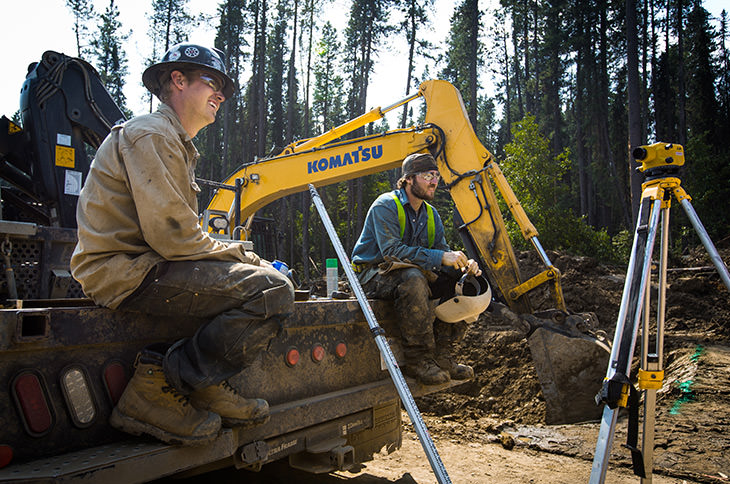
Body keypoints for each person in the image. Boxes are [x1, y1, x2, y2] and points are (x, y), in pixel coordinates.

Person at [70, 43, 295, 446]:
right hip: (124, 271)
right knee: (271, 290)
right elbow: (175, 236)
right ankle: (157, 388)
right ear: (177, 80)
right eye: (213, 83)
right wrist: (245, 255)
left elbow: (178, 236)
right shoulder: (151, 134)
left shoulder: (170, 141)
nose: (221, 96)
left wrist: (240, 257)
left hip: (147, 264)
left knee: (261, 281)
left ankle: (202, 383)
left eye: (224, 89)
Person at [351, 152, 482, 386]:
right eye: (427, 175)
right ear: (409, 179)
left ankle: (443, 356)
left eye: (436, 176)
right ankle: (418, 359)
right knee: (412, 279)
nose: (434, 181)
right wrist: (442, 256)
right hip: (371, 274)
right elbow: (392, 251)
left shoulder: (431, 215)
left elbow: (442, 253)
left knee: (459, 279)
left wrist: (463, 265)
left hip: (408, 274)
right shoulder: (386, 206)